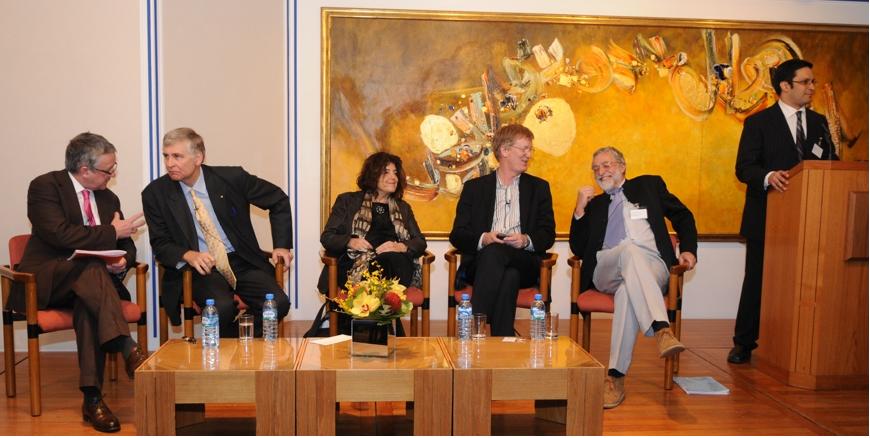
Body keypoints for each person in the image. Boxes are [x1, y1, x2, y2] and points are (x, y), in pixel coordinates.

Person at [10, 132, 147, 432]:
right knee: (89, 269)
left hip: (90, 289)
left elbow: (127, 244)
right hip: (47, 280)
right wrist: (112, 235)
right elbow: (61, 235)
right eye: (108, 170)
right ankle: (126, 345)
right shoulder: (46, 186)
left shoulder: (108, 197)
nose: (113, 175)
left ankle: (93, 400)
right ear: (84, 169)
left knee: (90, 299)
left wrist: (121, 262)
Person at [569, 146, 697, 409]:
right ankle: (661, 328)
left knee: (628, 291)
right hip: (607, 266)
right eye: (595, 168)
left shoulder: (649, 185)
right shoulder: (596, 205)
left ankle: (615, 378)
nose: (600, 172)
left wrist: (688, 249)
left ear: (622, 166)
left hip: (653, 266)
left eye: (606, 165)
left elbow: (683, 215)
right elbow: (579, 249)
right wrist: (580, 210)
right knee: (628, 249)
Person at [730, 59, 838, 364]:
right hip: (768, 216)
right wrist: (768, 177)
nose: (812, 88)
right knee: (757, 280)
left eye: (813, 82)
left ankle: (799, 343)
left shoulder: (819, 122)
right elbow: (744, 168)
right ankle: (743, 343)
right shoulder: (758, 122)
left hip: (812, 220)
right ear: (785, 86)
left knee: (805, 281)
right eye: (805, 82)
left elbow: (831, 162)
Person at [141, 127, 292, 339]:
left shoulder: (231, 178)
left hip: (241, 260)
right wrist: (188, 255)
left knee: (278, 303)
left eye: (177, 156)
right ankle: (228, 356)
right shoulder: (155, 194)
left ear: (198, 158)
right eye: (166, 156)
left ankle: (237, 344)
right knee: (221, 309)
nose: (169, 163)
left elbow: (278, 200)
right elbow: (160, 243)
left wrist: (282, 245)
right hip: (201, 268)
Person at [449, 124, 555, 336]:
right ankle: (503, 339)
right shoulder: (475, 189)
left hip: (524, 261)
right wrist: (484, 238)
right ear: (505, 150)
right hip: (481, 265)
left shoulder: (539, 188)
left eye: (530, 149)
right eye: (524, 149)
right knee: (508, 274)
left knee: (505, 261)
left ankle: (474, 329)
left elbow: (547, 233)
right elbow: (458, 234)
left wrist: (525, 240)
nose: (529, 154)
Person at [317, 152, 427, 334]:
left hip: (397, 267)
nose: (393, 177)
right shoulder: (348, 201)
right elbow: (327, 237)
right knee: (377, 273)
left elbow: (420, 242)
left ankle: (364, 332)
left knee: (389, 259)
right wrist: (350, 242)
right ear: (373, 174)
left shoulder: (403, 208)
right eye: (386, 172)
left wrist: (400, 246)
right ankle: (382, 332)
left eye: (395, 173)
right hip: (356, 266)